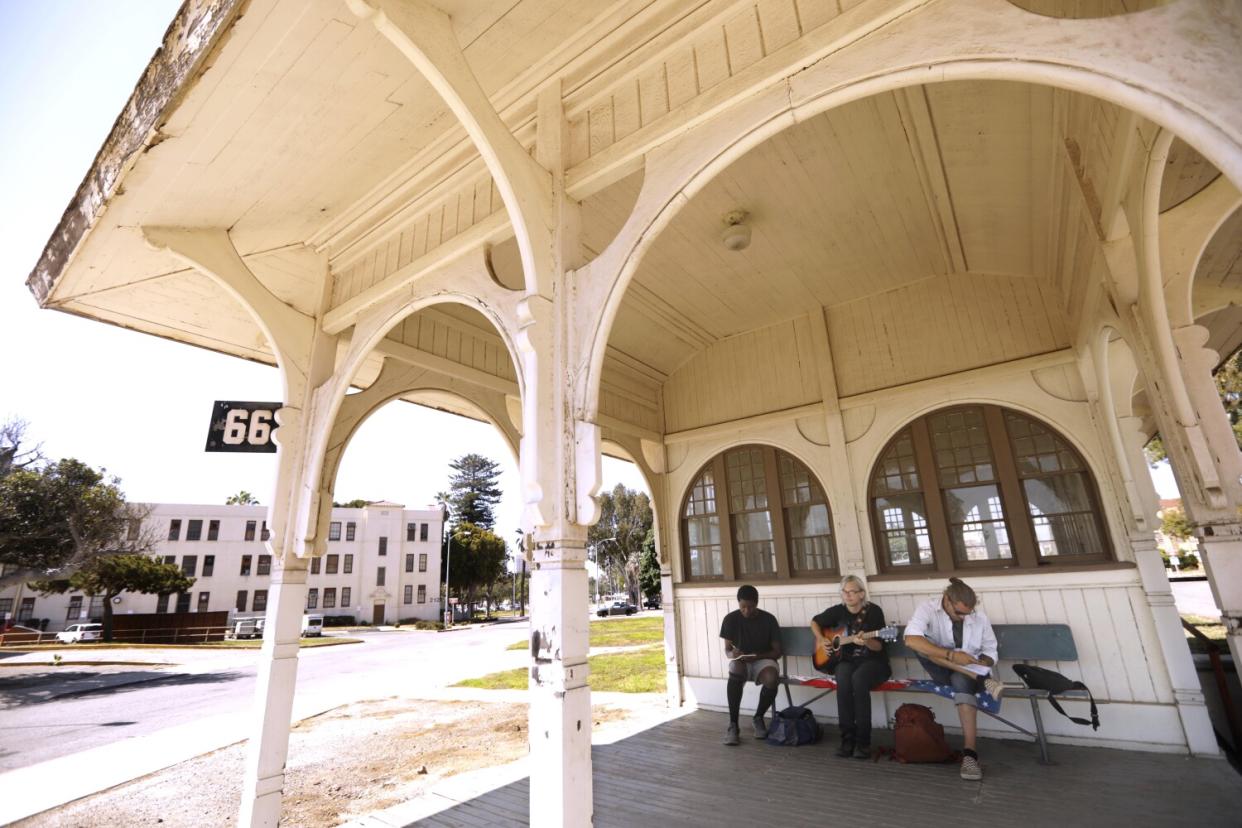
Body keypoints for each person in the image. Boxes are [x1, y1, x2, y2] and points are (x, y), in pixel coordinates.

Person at [903, 577, 1000, 781]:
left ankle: (970, 755)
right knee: (922, 646)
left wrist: (982, 661)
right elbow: (910, 639)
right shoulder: (927, 608)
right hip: (940, 669)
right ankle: (983, 681)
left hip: (969, 675)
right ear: (946, 600)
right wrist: (952, 656)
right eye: (959, 613)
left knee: (960, 679)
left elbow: (991, 649)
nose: (964, 618)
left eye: (968, 613)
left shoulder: (979, 617)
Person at [810, 575, 890, 759]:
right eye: (844, 592)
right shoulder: (837, 611)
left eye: (852, 591)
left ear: (862, 594)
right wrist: (822, 640)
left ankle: (863, 742)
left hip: (873, 662)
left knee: (859, 679)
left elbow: (879, 647)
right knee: (844, 679)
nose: (848, 596)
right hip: (845, 661)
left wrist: (866, 641)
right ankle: (847, 739)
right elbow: (815, 622)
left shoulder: (874, 612)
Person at [719, 584, 782, 746]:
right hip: (742, 660)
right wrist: (732, 654)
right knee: (734, 669)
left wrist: (758, 656)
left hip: (763, 658)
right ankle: (733, 725)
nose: (747, 610)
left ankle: (758, 717)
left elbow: (777, 652)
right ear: (738, 603)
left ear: (757, 603)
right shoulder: (730, 619)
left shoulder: (769, 620)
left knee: (772, 677)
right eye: (743, 607)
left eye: (751, 607)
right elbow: (727, 650)